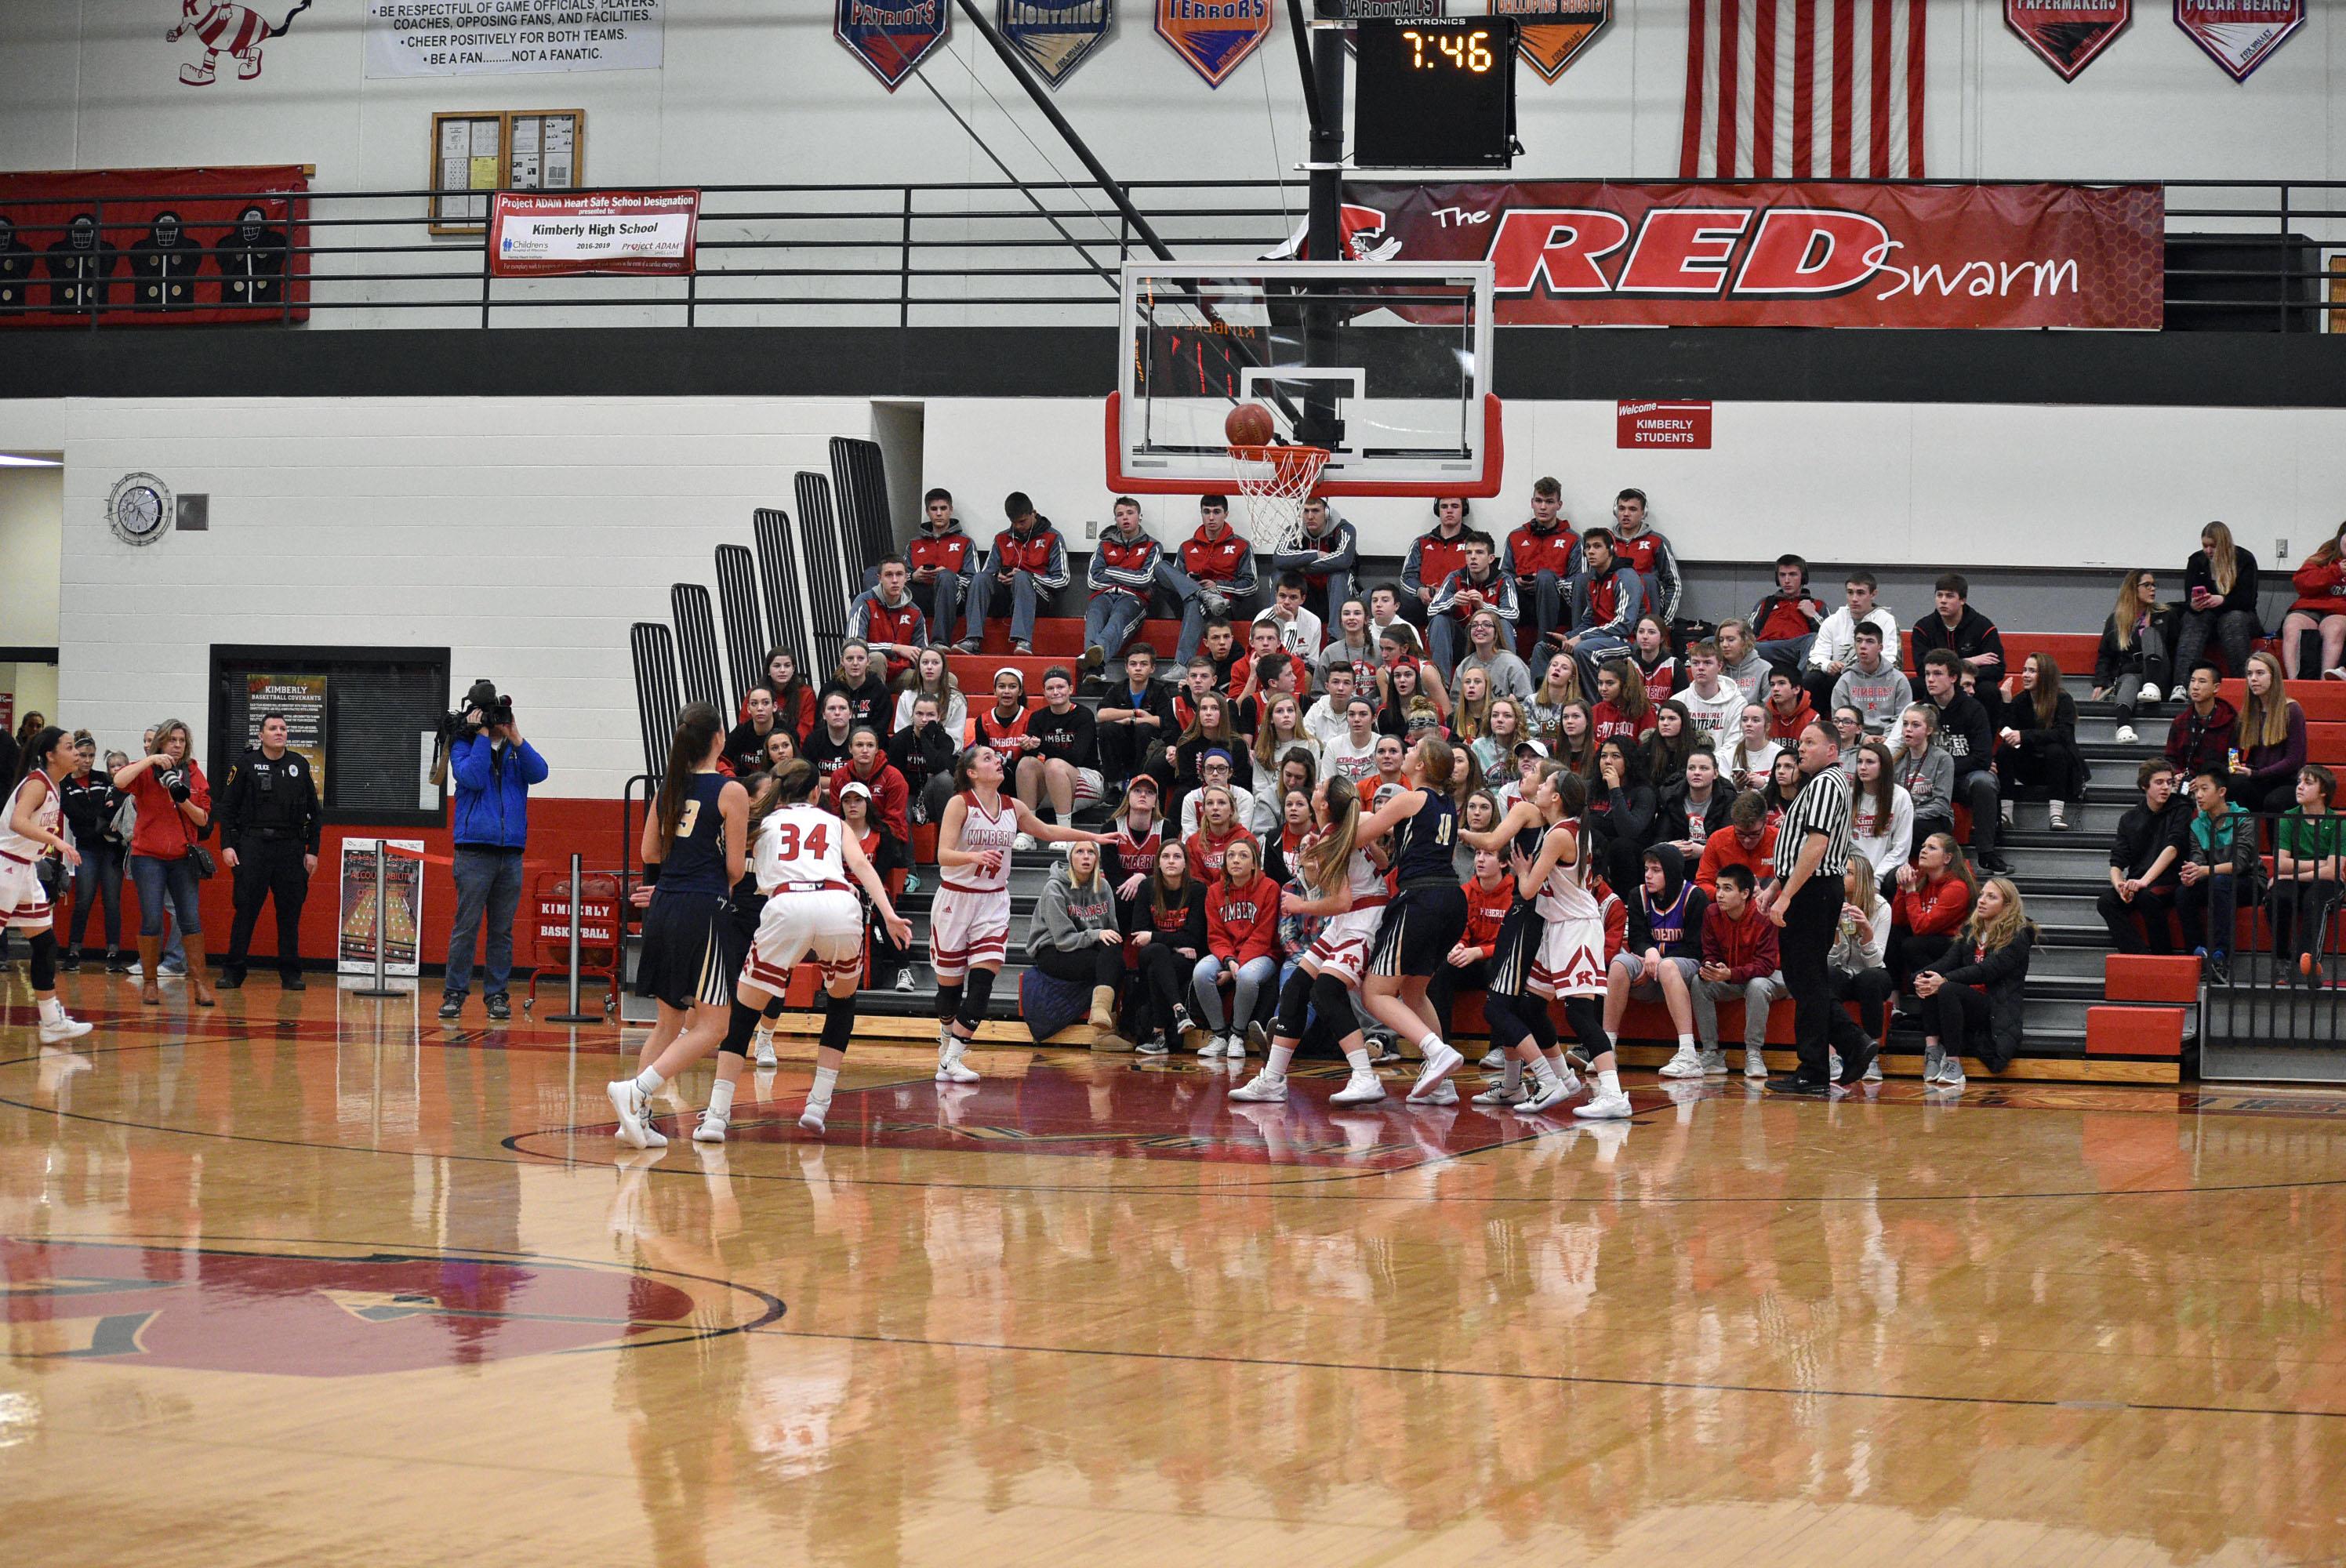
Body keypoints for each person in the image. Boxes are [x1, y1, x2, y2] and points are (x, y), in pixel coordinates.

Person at [684, 759, 911, 1141]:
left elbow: (728, 865)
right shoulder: (835, 823)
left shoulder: (764, 822)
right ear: (816, 793)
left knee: (743, 1015)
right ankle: (817, 1107)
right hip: (839, 904)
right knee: (842, 1002)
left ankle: (717, 1117)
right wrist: (889, 915)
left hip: (786, 905)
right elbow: (863, 867)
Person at [604, 705, 751, 1149]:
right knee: (715, 1025)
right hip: (702, 908)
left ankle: (637, 1119)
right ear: (719, 739)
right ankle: (637, 1092)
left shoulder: (668, 786)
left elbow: (649, 852)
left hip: (664, 904)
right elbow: (735, 868)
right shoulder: (731, 791)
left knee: (667, 1024)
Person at [932, 746, 1109, 1083]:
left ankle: (953, 1057)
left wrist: (1093, 836)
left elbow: (1048, 831)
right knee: (949, 994)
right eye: (986, 758)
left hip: (993, 902)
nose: (996, 760)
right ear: (971, 772)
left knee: (982, 984)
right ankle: (946, 1040)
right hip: (955, 899)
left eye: (996, 757)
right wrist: (974, 858)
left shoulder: (1014, 806)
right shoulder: (960, 803)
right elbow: (942, 855)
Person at [1228, 775, 1398, 1105]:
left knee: (1327, 993)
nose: (1314, 788)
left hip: (1363, 919)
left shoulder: (1334, 834)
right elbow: (1382, 863)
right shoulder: (1351, 823)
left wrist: (1300, 905)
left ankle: (1365, 1076)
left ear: (1322, 805)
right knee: (1294, 990)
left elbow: (1343, 901)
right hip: (1349, 918)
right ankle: (1272, 1080)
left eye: (1318, 789)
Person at [1764, 722, 1879, 1092]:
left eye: (1810, 743)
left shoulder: (1828, 783)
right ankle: (1848, 1045)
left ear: (1832, 750)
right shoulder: (1819, 783)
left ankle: (1817, 1067)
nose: (1802, 749)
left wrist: (1786, 895)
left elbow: (1816, 845)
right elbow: (1800, 847)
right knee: (1804, 979)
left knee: (1807, 980)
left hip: (1814, 890)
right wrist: (1778, 884)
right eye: (1800, 743)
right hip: (1806, 887)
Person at [214, 712, 323, 991]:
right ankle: (234, 972)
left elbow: (315, 811)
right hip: (253, 846)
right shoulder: (246, 765)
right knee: (246, 911)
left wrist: (313, 850)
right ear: (260, 735)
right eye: (273, 728)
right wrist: (226, 844)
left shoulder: (299, 764)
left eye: (283, 728)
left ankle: (290, 973)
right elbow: (227, 809)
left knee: (289, 913)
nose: (279, 732)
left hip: (291, 847)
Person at [114, 719, 216, 1008]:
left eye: (182, 740)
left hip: (183, 858)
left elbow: (203, 819)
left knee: (190, 919)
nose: (177, 745)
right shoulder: (146, 772)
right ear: (161, 743)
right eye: (172, 740)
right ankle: (149, 983)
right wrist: (149, 761)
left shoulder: (194, 774)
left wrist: (180, 796)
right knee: (152, 919)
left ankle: (199, 983)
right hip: (148, 857)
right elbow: (119, 781)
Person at [4, 727, 96, 1043]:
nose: (76, 753)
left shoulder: (56, 785)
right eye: (70, 747)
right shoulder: (36, 783)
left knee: (45, 943)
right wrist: (57, 841)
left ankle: (50, 1021)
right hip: (4, 867)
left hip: (24, 870)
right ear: (50, 755)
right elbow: (18, 822)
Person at [1913, 877, 2038, 1087]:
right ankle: (1933, 1050)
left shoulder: (2019, 935)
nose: (1982, 900)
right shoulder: (1972, 930)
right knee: (1930, 983)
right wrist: (1921, 975)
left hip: (1995, 1007)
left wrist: (1944, 979)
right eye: (1981, 895)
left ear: (2007, 906)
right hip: (1966, 1002)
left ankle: (1953, 1063)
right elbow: (1947, 962)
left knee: (1946, 987)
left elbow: (1987, 971)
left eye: (1991, 897)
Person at [1028, 840, 1134, 1051]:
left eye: (1091, 852)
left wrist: (1102, 939)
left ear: (1097, 858)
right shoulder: (1054, 888)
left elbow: (1112, 931)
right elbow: (1063, 939)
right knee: (1110, 965)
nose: (1086, 857)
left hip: (1087, 947)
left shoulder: (1103, 887)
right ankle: (1105, 1033)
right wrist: (1096, 935)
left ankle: (1101, 1015)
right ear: (1070, 858)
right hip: (1053, 951)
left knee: (1113, 953)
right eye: (1080, 852)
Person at [1617, 845, 1710, 1079]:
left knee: (1668, 966)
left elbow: (1695, 947)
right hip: (1654, 965)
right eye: (1647, 869)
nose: (1648, 875)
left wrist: (1658, 961)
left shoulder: (1695, 896)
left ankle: (1688, 1054)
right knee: (1619, 964)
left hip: (1686, 966)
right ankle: (1606, 1048)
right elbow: (1637, 938)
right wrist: (1648, 951)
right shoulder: (1637, 895)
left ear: (1671, 871)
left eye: (1656, 870)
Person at [1689, 862, 1785, 1081]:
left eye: (1727, 889)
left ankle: (1753, 1053)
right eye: (1718, 887)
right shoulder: (1712, 913)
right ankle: (1711, 1053)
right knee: (1699, 981)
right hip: (1734, 975)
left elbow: (1766, 966)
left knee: (1757, 985)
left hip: (1773, 977)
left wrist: (1730, 974)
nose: (1719, 894)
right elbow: (1710, 951)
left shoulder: (1763, 916)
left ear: (1745, 893)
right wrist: (1711, 967)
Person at [1919, 649, 2006, 872]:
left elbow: (1983, 757)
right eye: (1928, 673)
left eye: (1937, 673)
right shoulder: (1920, 710)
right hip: (1928, 779)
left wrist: (1944, 769)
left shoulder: (1974, 709)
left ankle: (1986, 853)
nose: (1930, 679)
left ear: (1953, 678)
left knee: (1984, 782)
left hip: (1963, 779)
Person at [1194, 836, 1280, 1059]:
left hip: (1263, 954)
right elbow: (1216, 935)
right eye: (1231, 856)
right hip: (1228, 954)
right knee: (1201, 972)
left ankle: (1237, 1034)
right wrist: (1229, 961)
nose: (1236, 860)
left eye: (1243, 856)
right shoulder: (1214, 892)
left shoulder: (1270, 888)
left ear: (1254, 863)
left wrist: (1237, 966)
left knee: (1247, 977)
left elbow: (1263, 935)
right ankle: (1220, 1035)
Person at [959, 492, 1070, 655]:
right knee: (980, 578)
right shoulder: (1002, 538)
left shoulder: (1053, 537)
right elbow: (987, 573)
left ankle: (1023, 641)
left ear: (1034, 513)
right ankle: (972, 639)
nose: (1018, 526)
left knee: (1022, 577)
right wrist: (998, 576)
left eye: (1022, 521)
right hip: (1006, 596)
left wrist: (1030, 577)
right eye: (1014, 522)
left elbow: (1063, 580)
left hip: (1039, 597)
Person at [1124, 838, 1208, 1054]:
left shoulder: (1198, 890)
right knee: (1157, 953)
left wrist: (1155, 937)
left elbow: (1194, 938)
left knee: (1157, 969)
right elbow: (1138, 933)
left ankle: (1159, 1034)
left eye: (1177, 857)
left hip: (1181, 958)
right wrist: (1173, 944)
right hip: (1153, 953)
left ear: (1185, 864)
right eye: (1166, 856)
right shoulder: (1147, 887)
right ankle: (1179, 1011)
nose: (1171, 861)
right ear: (1158, 863)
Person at [2100, 759, 2188, 956]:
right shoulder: (2130, 818)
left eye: (2169, 782)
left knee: (2147, 896)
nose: (2166, 787)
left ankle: (2162, 956)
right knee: (2106, 901)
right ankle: (2137, 955)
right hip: (2138, 880)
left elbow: (2172, 848)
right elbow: (2117, 861)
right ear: (2144, 786)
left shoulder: (2181, 808)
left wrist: (2142, 882)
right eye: (2159, 782)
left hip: (2170, 878)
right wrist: (2119, 885)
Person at [1997, 652, 2090, 833]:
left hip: (2059, 768)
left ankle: (2056, 813)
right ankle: (2006, 813)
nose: (2025, 675)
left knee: (2055, 749)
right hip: (2030, 769)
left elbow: (2064, 735)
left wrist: (2024, 736)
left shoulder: (2063, 699)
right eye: (2024, 670)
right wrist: (2007, 703)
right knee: (2004, 750)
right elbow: (2006, 733)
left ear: (2045, 674)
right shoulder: (2020, 700)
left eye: (2032, 671)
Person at [57, 734, 126, 973]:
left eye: (91, 756)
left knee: (112, 902)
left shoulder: (102, 778)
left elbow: (115, 807)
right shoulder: (64, 784)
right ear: (74, 755)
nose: (87, 760)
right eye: (82, 755)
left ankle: (113, 952)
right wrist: (99, 820)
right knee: (83, 901)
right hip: (86, 848)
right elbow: (76, 816)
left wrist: (99, 820)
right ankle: (74, 951)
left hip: (110, 849)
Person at [2270, 764, 2344, 984]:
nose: (2299, 787)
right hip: (2306, 876)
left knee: (2315, 898)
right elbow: (2280, 864)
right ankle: (2283, 960)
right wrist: (2320, 864)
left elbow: (2332, 872)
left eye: (2308, 783)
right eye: (2299, 782)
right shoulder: (2288, 818)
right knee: (2278, 896)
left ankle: (2310, 961)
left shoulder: (2338, 822)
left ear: (2324, 792)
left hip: (2327, 883)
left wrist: (2291, 874)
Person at [2178, 767, 2250, 984]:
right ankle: (2199, 952)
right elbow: (2198, 860)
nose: (2198, 795)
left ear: (2221, 792)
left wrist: (2203, 871)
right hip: (2213, 879)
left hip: (2248, 881)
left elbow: (2239, 864)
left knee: (2220, 883)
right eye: (2196, 790)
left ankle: (2220, 955)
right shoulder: (2197, 824)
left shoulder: (2243, 819)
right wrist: (2192, 873)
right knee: (2183, 892)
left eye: (2204, 789)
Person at [1169, 495, 1257, 665]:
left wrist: (1217, 587)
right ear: (1201, 514)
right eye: (1206, 512)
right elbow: (1172, 584)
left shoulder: (1241, 545)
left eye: (1216, 512)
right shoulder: (1186, 546)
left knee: (1195, 603)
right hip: (1187, 602)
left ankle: (1181, 665)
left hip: (1222, 606)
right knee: (1161, 568)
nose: (1211, 517)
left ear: (1226, 514)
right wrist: (1185, 582)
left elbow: (1251, 585)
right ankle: (1201, 593)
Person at [1016, 668, 1102, 841]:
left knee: (1054, 765)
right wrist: (1028, 747)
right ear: (1044, 692)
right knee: (1026, 763)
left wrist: (1043, 746)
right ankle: (1027, 832)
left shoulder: (1084, 715)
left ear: (1070, 689)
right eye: (1050, 688)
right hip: (1052, 783)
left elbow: (1076, 758)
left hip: (1086, 780)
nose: (1055, 692)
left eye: (1061, 687)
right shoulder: (1037, 717)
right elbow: (1035, 755)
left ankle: (1064, 834)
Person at [1828, 852, 1895, 1068]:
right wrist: (1836, 931)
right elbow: (1829, 961)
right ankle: (1832, 1054)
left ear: (1862, 879)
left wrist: (1867, 932)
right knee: (1826, 977)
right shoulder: (1832, 902)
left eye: (1848, 873)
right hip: (1842, 972)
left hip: (1872, 974)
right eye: (1841, 872)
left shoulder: (1881, 908)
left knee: (1871, 979)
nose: (1841, 877)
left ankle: (1871, 1054)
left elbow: (1876, 963)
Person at [1887, 831, 1976, 996]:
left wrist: (1911, 892)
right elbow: (1898, 920)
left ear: (1947, 858)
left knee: (1913, 945)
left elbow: (1922, 927)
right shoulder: (1924, 880)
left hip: (1954, 945)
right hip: (1930, 939)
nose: (1923, 851)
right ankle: (1895, 996)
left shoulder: (1957, 887)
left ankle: (1930, 991)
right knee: (1894, 934)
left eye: (1932, 848)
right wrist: (1902, 887)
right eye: (1923, 846)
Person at [2093, 568, 2175, 744]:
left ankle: (2151, 686)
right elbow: (2105, 655)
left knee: (2150, 634)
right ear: (2133, 589)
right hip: (2132, 674)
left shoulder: (2165, 615)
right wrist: (2100, 682)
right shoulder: (2117, 620)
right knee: (2129, 680)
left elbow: (2175, 650)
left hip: (2159, 673)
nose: (2153, 589)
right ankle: (2122, 727)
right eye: (2147, 585)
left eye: (2154, 585)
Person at [2174, 521, 2261, 682]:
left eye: (2213, 546)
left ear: (2224, 544)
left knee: (2232, 619)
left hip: (2240, 617)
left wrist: (2222, 600)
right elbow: (2189, 599)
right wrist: (2194, 605)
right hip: (2207, 616)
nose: (2208, 551)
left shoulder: (2245, 559)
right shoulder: (2196, 560)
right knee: (2193, 619)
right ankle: (2181, 684)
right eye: (2205, 546)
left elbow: (2248, 601)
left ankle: (2242, 683)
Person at [1804, 571, 1899, 720]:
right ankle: (1818, 726)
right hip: (1838, 678)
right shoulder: (1833, 621)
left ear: (1873, 594)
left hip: (1872, 678)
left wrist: (1857, 668)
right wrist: (1828, 665)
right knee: (1813, 680)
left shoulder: (1886, 620)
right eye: (1850, 592)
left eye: (1860, 593)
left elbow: (1893, 660)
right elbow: (1814, 658)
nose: (1854, 599)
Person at [1083, 495, 1160, 672]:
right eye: (1120, 514)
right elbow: (1093, 579)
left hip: (1133, 598)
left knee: (1119, 617)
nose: (1125, 518)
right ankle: (1094, 667)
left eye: (1130, 513)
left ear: (1139, 516)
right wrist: (1129, 576)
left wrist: (1109, 570)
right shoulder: (1104, 545)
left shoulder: (1153, 546)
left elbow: (1145, 579)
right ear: (1116, 519)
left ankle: (1092, 666)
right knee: (1094, 616)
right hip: (1103, 595)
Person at [1560, 528, 1644, 687]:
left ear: (1612, 550)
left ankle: (1593, 707)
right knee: (1544, 648)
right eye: (1588, 547)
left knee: (1584, 650)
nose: (1591, 552)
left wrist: (1581, 638)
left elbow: (1624, 625)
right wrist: (1568, 637)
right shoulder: (1593, 580)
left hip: (1628, 641)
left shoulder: (1626, 577)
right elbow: (1588, 621)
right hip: (1602, 638)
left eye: (1597, 546)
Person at [1426, 533, 1516, 678]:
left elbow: (1513, 614)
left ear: (1491, 558)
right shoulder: (1454, 577)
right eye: (1469, 553)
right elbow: (1431, 610)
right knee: (1439, 620)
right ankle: (1441, 683)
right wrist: (1452, 602)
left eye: (1479, 552)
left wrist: (1484, 606)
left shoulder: (1504, 579)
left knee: (1504, 623)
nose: (1473, 557)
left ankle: (1508, 681)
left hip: (1490, 641)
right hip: (1462, 640)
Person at [1095, 643, 1179, 797]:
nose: (1138, 668)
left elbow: (1165, 721)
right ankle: (1115, 787)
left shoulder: (1160, 689)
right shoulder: (1118, 688)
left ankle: (1140, 781)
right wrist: (1136, 712)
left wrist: (1132, 721)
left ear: (1152, 668)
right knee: (1107, 728)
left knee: (1145, 728)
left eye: (1143, 664)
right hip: (1123, 744)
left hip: (1149, 745)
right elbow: (1101, 714)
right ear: (1126, 668)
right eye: (1133, 664)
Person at [1505, 477, 1578, 652]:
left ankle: (1543, 646)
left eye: (1549, 502)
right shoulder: (1516, 536)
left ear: (1559, 505)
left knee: (1545, 578)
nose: (1543, 507)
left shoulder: (1573, 539)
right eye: (1539, 501)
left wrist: (1550, 582)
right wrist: (1517, 581)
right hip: (1522, 599)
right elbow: (1503, 576)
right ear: (1532, 503)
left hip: (1557, 603)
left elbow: (1578, 582)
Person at [906, 487, 979, 656]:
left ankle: (940, 642)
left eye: (943, 508)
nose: (939, 513)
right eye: (934, 509)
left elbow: (974, 581)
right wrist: (914, 576)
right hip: (923, 594)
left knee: (946, 577)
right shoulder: (914, 544)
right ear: (927, 512)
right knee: (884, 578)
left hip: (953, 597)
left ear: (951, 510)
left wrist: (949, 575)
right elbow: (900, 577)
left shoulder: (965, 542)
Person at [2235, 650, 2308, 814]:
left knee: (2274, 802)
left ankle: (2278, 841)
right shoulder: (2247, 712)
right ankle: (2242, 839)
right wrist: (2234, 767)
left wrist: (2257, 774)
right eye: (2249, 674)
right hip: (2257, 778)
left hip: (2286, 782)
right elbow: (2235, 748)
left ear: (2273, 677)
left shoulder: (2291, 710)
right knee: (2234, 787)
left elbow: (2293, 761)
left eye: (2260, 673)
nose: (2253, 679)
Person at [1272, 495, 1359, 622]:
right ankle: (1274, 629)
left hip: (1335, 593)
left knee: (1339, 576)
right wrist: (1316, 554)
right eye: (1305, 511)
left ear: (1327, 513)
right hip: (1305, 593)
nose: (1310, 516)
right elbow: (1279, 558)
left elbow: (1343, 560)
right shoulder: (1295, 530)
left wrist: (1303, 567)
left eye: (1315, 511)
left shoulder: (1344, 529)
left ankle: (1336, 637)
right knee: (1280, 574)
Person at [846, 554, 929, 684]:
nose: (895, 580)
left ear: (906, 578)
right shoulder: (864, 602)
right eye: (889, 575)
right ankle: (876, 703)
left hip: (901, 674)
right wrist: (894, 648)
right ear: (880, 578)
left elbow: (922, 653)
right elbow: (853, 646)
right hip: (868, 670)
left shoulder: (915, 612)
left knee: (947, 680)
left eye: (899, 574)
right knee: (878, 659)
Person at [1908, 572, 2006, 683]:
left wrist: (1965, 677)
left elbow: (1997, 670)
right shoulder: (1923, 628)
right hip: (1936, 681)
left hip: (1973, 682)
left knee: (1989, 690)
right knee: (1914, 685)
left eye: (1950, 596)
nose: (1943, 601)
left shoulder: (1984, 627)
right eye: (1939, 595)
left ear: (1962, 600)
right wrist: (1968, 662)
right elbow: (1922, 668)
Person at [1399, 498, 1477, 632]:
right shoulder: (1421, 542)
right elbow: (1407, 577)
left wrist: (1446, 593)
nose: (1449, 510)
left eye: (1455, 506)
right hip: (1423, 602)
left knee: (1442, 617)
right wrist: (1420, 591)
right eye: (1444, 506)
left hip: (1457, 604)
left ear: (1463, 509)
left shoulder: (1475, 543)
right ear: (1438, 510)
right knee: (1380, 599)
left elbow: (1480, 577)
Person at [2282, 521, 2346, 681]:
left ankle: (2326, 682)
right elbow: (2302, 583)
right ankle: (2294, 682)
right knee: (2292, 626)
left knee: (2335, 629)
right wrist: (2335, 572)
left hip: (2340, 611)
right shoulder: (2324, 557)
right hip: (2309, 608)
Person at [1751, 554, 1829, 674]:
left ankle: (1798, 685)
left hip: (1797, 649)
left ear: (1803, 578)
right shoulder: (1766, 603)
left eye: (1792, 575)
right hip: (1765, 648)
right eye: (1782, 575)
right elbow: (1747, 634)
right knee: (1715, 641)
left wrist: (1813, 615)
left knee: (1813, 639)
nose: (1787, 580)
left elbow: (1829, 638)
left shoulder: (1817, 605)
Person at [1849, 740, 1914, 882]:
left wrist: (1877, 878)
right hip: (1854, 871)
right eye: (1859, 762)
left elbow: (1901, 848)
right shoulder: (1849, 796)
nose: (1863, 767)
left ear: (1883, 767)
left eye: (1870, 762)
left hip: (1887, 874)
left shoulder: (1900, 797)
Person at [1831, 622, 1912, 737]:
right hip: (1855, 740)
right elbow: (1840, 721)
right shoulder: (1845, 681)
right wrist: (1863, 739)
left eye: (1870, 641)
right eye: (1859, 641)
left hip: (1891, 740)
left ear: (1880, 647)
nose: (1863, 646)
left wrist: (1886, 738)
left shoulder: (1899, 680)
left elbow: (1903, 718)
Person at [1695, 790, 1778, 899]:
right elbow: (1702, 883)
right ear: (1733, 823)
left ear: (1766, 823)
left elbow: (1793, 885)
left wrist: (1769, 895)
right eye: (1740, 834)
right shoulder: (1718, 840)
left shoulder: (1780, 840)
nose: (1747, 840)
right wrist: (1728, 896)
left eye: (1754, 834)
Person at [2165, 661, 2240, 779]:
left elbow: (2233, 762)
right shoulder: (2180, 722)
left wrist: (2209, 780)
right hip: (2185, 781)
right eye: (2192, 681)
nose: (2195, 686)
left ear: (2216, 688)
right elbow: (2170, 759)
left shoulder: (2231, 722)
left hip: (2217, 782)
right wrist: (2177, 774)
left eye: (2202, 682)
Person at [1677, 640, 1746, 750]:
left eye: (1707, 663)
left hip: (1724, 766)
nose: (1700, 667)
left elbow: (1734, 745)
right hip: (1687, 765)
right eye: (1695, 663)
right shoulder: (1678, 701)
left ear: (1719, 666)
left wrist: (1708, 764)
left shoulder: (1737, 702)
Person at [1455, 608, 1535, 701]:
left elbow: (1528, 702)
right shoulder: (1464, 666)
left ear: (1496, 632)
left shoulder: (1512, 663)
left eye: (1486, 625)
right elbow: (1456, 703)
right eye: (1474, 625)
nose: (1479, 629)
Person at [891, 647, 966, 740]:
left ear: (943, 667)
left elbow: (956, 738)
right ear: (919, 667)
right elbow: (901, 734)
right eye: (925, 662)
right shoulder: (907, 696)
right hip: (912, 753)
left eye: (935, 663)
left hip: (945, 752)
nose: (929, 667)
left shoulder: (956, 699)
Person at [823, 640, 892, 739]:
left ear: (868, 661)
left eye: (860, 658)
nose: (855, 663)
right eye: (850, 659)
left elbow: (879, 731)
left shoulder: (880, 691)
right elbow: (821, 726)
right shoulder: (829, 689)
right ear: (842, 661)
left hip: (869, 747)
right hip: (836, 745)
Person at [1254, 573, 1324, 662]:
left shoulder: (1314, 621)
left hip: (1301, 670)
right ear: (1276, 595)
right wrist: (1290, 621)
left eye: (1293, 597)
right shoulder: (1263, 619)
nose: (1286, 602)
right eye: (1282, 596)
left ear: (1303, 599)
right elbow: (1279, 662)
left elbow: (1312, 663)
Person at [1317, 598, 1380, 688]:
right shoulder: (1330, 652)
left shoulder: (1380, 649)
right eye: (1346, 614)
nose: (1351, 617)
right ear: (1341, 621)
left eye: (1357, 613)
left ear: (1366, 620)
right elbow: (1319, 691)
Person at [724, 687, 786, 776]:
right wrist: (731, 778)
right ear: (748, 708)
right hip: (745, 785)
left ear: (775, 707)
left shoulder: (786, 732)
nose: (760, 708)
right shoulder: (741, 732)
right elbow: (723, 760)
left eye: (766, 703)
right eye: (754, 703)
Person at [1640, 700, 1697, 797]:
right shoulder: (1646, 750)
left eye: (1672, 718)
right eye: (1662, 719)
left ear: (1683, 722)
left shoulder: (1698, 751)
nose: (1665, 723)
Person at [1723, 704, 1782, 793]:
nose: (1748, 724)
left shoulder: (1780, 754)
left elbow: (1785, 788)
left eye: (1755, 720)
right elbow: (1723, 791)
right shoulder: (1728, 756)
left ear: (1767, 726)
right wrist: (1737, 788)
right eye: (1745, 720)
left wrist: (1764, 785)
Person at [761, 648, 818, 740]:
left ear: (793, 669)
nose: (782, 670)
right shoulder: (756, 694)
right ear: (768, 669)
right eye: (777, 666)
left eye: (787, 666)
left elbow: (805, 732)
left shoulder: (806, 694)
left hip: (795, 749)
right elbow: (747, 726)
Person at [1716, 619, 1772, 706]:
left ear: (1745, 641)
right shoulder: (1715, 668)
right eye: (1721, 640)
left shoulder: (1764, 669)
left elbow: (1769, 708)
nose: (1724, 645)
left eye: (1731, 640)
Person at [1628, 615, 1681, 706]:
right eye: (1641, 632)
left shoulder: (1674, 665)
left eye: (1651, 632)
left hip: (1664, 718)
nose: (1645, 636)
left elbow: (1682, 705)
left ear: (1662, 638)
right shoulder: (1628, 664)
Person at [1758, 667, 1818, 744]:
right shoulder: (1764, 716)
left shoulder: (1812, 719)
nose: (1775, 689)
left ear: (1796, 689)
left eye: (1781, 683)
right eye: (1772, 684)